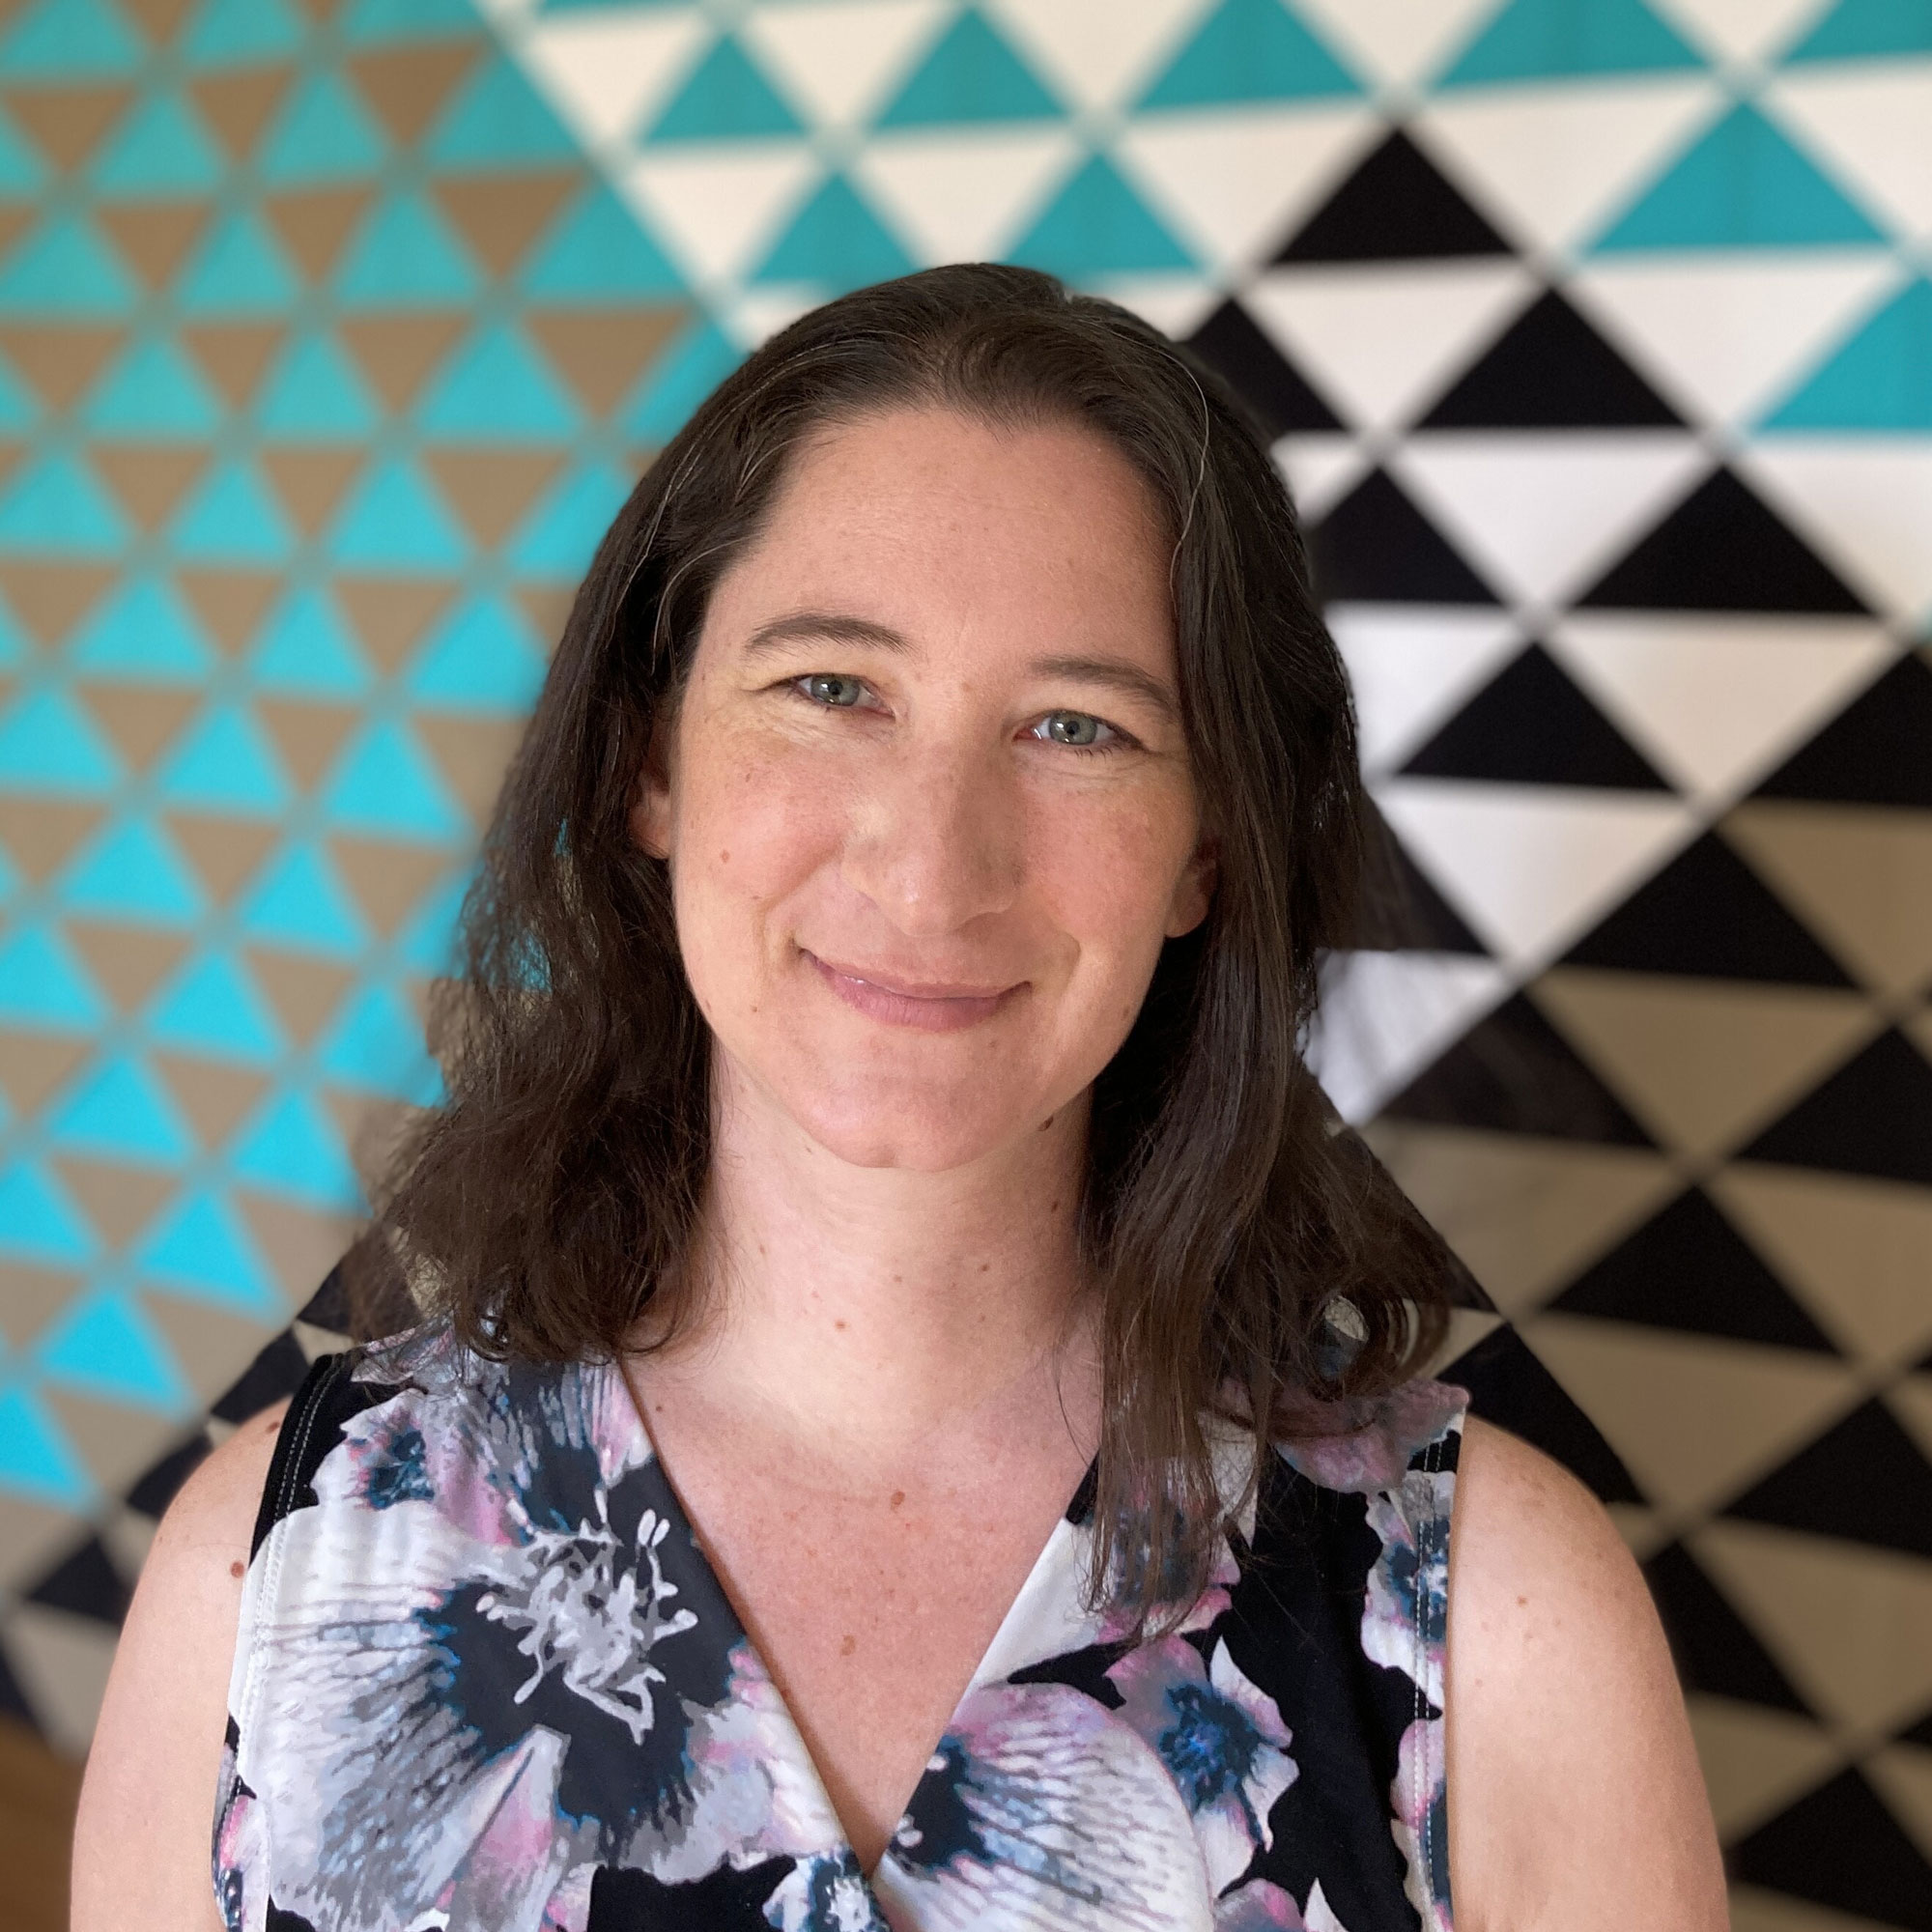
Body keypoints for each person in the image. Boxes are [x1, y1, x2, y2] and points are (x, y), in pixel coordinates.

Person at [72, 264, 1725, 1932]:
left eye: (1078, 727)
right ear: (651, 762)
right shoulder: (264, 1576)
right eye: (832, 688)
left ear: (1206, 848)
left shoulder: (1492, 1625)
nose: (935, 862)